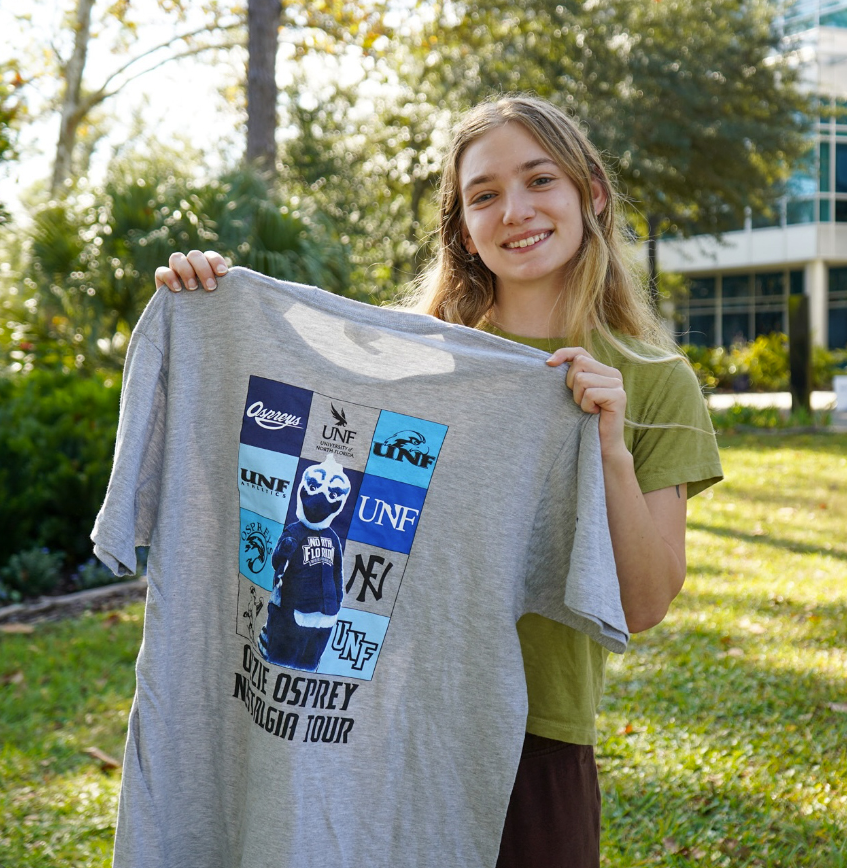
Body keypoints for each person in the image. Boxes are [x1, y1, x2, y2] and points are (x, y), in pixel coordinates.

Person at [153, 94, 722, 867]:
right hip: (380, 725)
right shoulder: (413, 372)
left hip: (539, 744)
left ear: (591, 194)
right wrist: (210, 309)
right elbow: (289, 455)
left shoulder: (653, 380)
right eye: (484, 195)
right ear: (463, 229)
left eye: (540, 180)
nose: (515, 211)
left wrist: (610, 450)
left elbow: (645, 603)